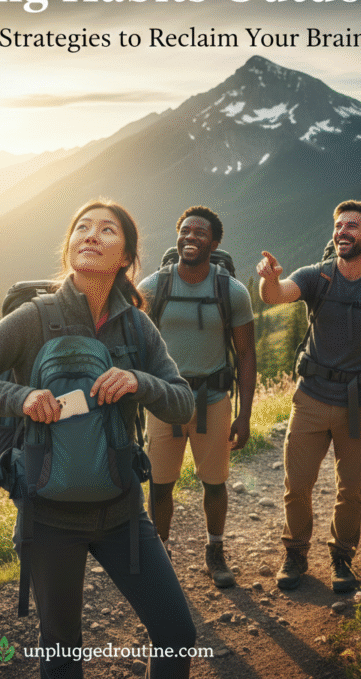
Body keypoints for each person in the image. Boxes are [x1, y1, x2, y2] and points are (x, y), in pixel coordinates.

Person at [0, 199, 196, 679]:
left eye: (107, 230)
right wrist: (21, 397)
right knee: (62, 646)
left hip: (123, 512)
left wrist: (140, 381)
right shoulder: (34, 319)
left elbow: (182, 402)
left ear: (126, 257)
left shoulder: (137, 326)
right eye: (82, 227)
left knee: (177, 634)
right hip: (48, 517)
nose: (91, 235)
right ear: (70, 247)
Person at [257, 200, 361, 593]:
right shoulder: (317, 276)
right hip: (310, 398)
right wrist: (269, 279)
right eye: (339, 224)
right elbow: (277, 295)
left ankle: (342, 559)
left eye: (352, 226)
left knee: (352, 487)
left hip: (360, 401)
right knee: (298, 483)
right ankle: (295, 553)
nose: (343, 231)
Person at [139, 206, 257, 588]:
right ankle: (161, 553)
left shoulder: (232, 292)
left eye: (200, 233)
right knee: (160, 484)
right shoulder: (153, 288)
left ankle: (215, 552)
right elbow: (130, 346)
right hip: (164, 401)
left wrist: (245, 415)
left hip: (213, 400)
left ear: (215, 242)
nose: (191, 237)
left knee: (215, 483)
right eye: (185, 231)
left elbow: (246, 355)